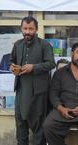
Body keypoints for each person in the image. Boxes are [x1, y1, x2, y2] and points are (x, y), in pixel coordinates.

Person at [9, 16, 55, 145]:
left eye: (31, 29)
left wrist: (33, 67)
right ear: (21, 28)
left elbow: (51, 64)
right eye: (25, 28)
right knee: (20, 124)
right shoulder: (17, 44)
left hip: (38, 92)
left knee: (38, 126)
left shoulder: (44, 45)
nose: (27, 31)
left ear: (36, 30)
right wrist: (12, 66)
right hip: (21, 90)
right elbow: (11, 60)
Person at [43, 42, 78, 145]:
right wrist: (61, 108)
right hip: (63, 110)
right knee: (48, 125)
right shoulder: (59, 73)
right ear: (72, 53)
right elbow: (53, 94)